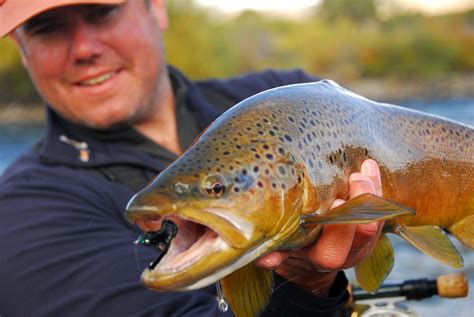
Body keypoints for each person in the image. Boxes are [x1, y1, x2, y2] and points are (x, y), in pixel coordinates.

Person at [0, 1, 384, 316]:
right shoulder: (21, 217)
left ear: (157, 7)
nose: (84, 49)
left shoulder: (285, 98)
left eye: (101, 12)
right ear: (22, 48)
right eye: (47, 27)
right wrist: (304, 284)